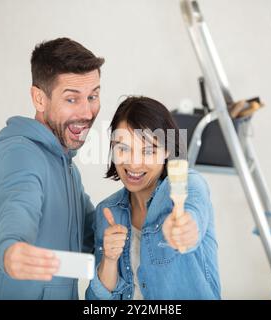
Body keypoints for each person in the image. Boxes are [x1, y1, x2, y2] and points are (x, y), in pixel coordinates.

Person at [0, 37, 104, 299]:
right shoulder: (20, 155)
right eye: (72, 99)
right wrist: (12, 250)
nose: (87, 112)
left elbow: (93, 236)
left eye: (93, 96)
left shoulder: (65, 166)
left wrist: (146, 213)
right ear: (39, 99)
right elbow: (18, 210)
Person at [86, 96, 221, 300]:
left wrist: (185, 229)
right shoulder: (107, 211)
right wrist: (109, 259)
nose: (134, 163)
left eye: (148, 151)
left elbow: (193, 214)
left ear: (167, 150)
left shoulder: (186, 185)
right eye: (123, 149)